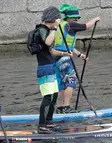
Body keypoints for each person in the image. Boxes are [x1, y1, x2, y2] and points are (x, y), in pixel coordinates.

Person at [54, 3, 100, 114]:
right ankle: (66, 107)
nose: (77, 19)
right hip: (65, 58)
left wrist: (80, 55)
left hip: (56, 58)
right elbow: (86, 26)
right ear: (68, 17)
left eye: (78, 17)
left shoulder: (61, 25)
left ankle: (60, 108)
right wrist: (95, 19)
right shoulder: (71, 25)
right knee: (70, 82)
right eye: (75, 17)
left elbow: (67, 45)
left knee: (60, 84)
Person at [33, 6, 71, 134]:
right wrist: (55, 28)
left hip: (50, 67)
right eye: (57, 19)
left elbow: (51, 50)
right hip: (44, 68)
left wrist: (65, 53)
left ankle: (48, 122)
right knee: (48, 97)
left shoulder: (47, 30)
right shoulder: (42, 30)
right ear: (53, 19)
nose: (59, 21)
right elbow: (48, 42)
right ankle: (41, 125)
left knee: (54, 96)